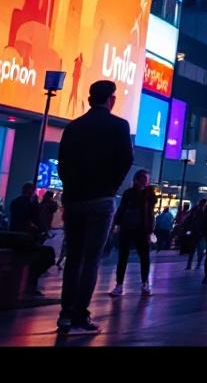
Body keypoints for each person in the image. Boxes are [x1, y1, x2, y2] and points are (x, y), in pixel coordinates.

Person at [55, 80, 135, 335]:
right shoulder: (119, 126)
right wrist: (111, 186)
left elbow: (62, 164)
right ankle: (80, 315)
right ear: (110, 99)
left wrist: (71, 191)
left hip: (75, 199)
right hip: (101, 199)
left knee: (73, 259)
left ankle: (65, 315)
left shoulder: (74, 127)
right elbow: (126, 159)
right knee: (91, 260)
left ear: (90, 99)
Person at [109, 169, 156, 297]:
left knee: (131, 257)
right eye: (144, 179)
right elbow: (149, 215)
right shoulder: (134, 194)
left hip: (135, 229)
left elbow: (122, 210)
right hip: (132, 228)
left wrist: (116, 224)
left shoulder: (147, 195)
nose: (145, 181)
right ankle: (139, 284)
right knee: (137, 257)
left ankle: (124, 285)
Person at [175, 201, 203, 269]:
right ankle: (197, 264)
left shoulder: (193, 212)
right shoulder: (203, 212)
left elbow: (186, 220)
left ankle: (189, 265)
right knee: (199, 249)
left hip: (194, 233)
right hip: (199, 233)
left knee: (193, 249)